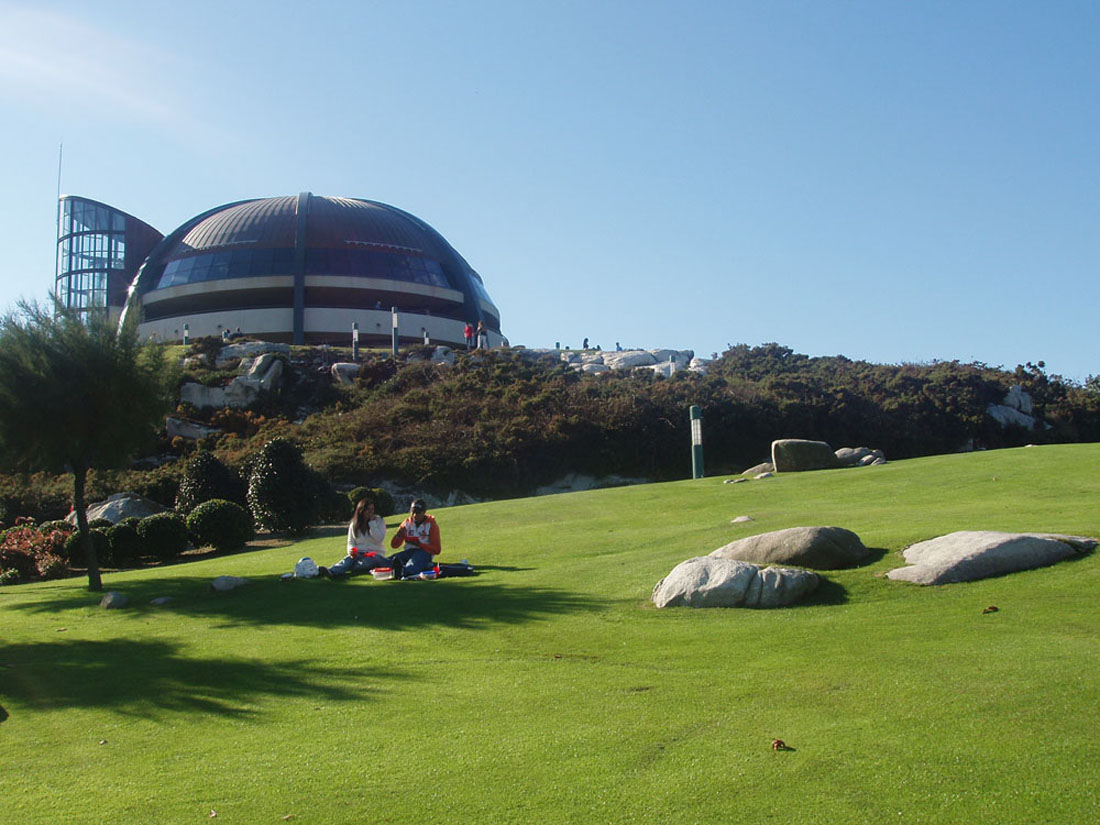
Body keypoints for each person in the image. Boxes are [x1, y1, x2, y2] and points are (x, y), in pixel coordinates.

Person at [319, 497, 388, 578]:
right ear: (361, 511)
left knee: (367, 562)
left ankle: (352, 567)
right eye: (368, 509)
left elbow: (379, 539)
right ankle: (331, 571)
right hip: (359, 553)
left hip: (375, 554)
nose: (371, 512)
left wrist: (372, 523)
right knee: (348, 559)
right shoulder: (354, 525)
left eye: (372, 509)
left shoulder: (379, 521)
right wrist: (351, 551)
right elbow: (350, 542)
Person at [389, 498, 441, 578]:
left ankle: (403, 571)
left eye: (418, 513)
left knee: (415, 561)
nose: (414, 515)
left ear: (424, 512)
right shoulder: (407, 523)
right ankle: (391, 570)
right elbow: (394, 545)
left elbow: (436, 549)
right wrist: (399, 535)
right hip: (408, 552)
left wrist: (420, 544)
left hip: (424, 552)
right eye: (413, 512)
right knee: (391, 560)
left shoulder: (431, 525)